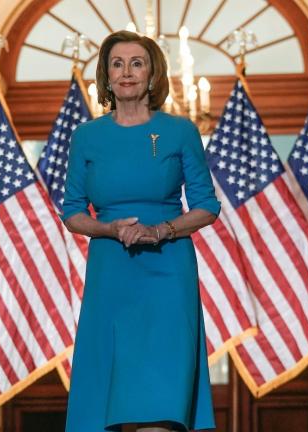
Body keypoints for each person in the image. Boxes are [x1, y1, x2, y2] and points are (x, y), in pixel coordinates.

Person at [61, 30, 219, 432]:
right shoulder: (87, 137)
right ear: (106, 76)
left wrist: (163, 230)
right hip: (112, 275)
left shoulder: (180, 131)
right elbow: (73, 212)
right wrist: (111, 229)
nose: (126, 72)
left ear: (152, 75)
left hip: (168, 275)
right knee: (111, 402)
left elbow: (206, 206)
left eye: (136, 63)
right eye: (117, 63)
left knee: (161, 406)